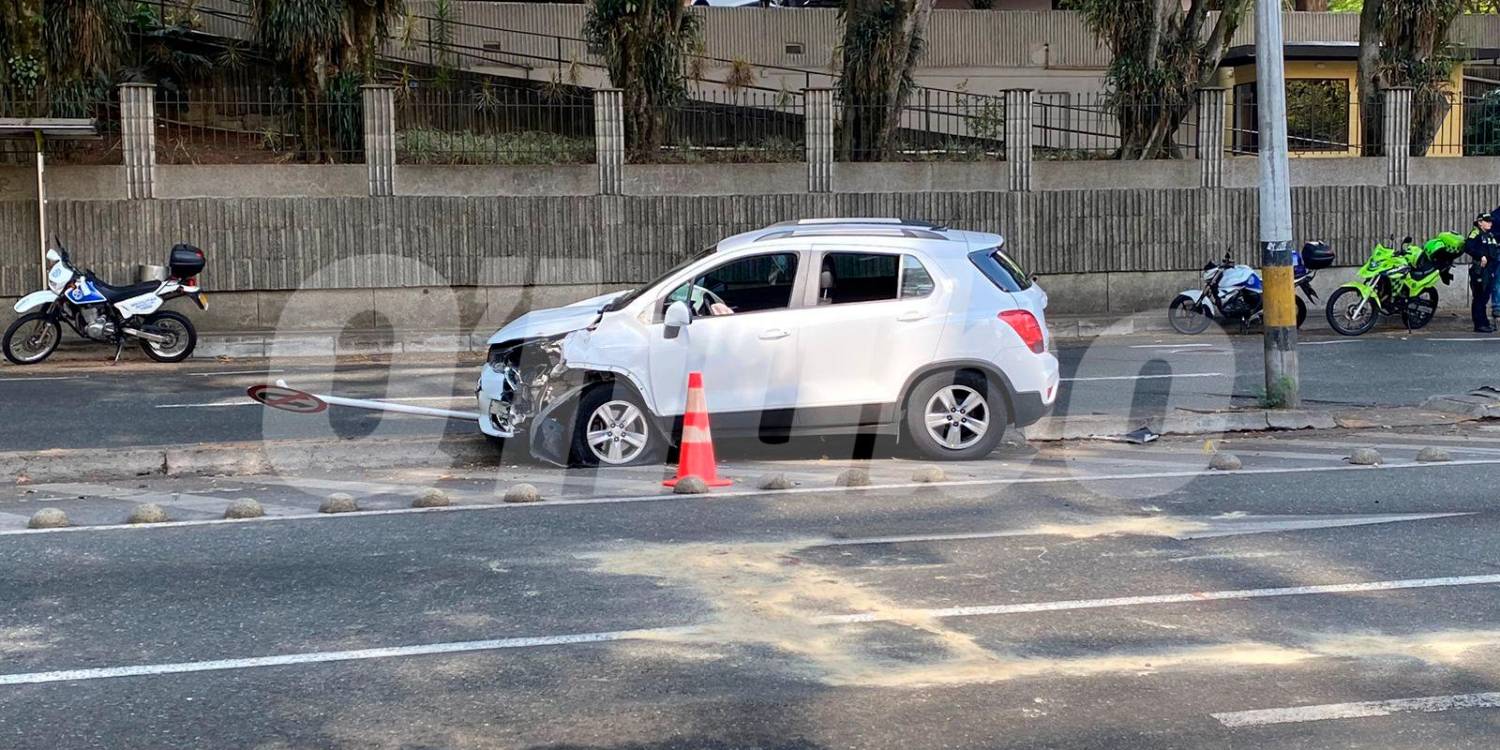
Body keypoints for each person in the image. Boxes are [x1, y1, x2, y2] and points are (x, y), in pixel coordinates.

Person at [1466, 212, 1499, 333]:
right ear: (1480, 222)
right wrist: (1481, 256)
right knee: (1479, 298)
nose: (1490, 223)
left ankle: (1484, 322)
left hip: (1489, 271)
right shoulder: (1476, 233)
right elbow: (1468, 247)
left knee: (1484, 298)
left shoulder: (1489, 235)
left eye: (1490, 221)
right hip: (1479, 271)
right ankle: (1479, 324)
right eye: (1487, 221)